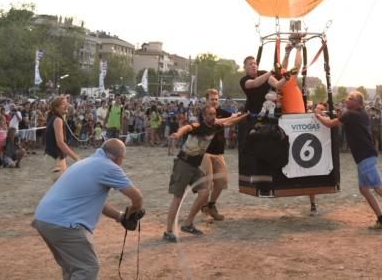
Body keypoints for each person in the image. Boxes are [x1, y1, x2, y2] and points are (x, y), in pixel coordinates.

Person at [33, 138, 144, 279]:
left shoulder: (86, 163)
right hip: (64, 224)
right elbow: (137, 198)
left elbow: (97, 203)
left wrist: (121, 216)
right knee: (88, 267)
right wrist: (133, 211)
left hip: (44, 219)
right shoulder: (109, 167)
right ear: (118, 158)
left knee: (72, 268)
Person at [314, 91, 382, 232]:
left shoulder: (351, 114)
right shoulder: (359, 114)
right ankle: (381, 219)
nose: (347, 100)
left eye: (351, 98)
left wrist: (317, 115)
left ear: (358, 103)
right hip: (365, 155)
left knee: (379, 188)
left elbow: (330, 124)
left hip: (364, 155)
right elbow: (343, 119)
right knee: (364, 189)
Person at [164, 105, 246, 241]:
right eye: (209, 114)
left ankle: (188, 224)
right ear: (203, 116)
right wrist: (178, 134)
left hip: (195, 166)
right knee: (177, 197)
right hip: (183, 164)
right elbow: (187, 128)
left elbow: (229, 122)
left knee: (204, 193)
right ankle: (168, 231)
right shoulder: (198, 125)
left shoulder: (215, 127)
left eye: (214, 114)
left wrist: (245, 116)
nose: (212, 117)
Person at [199, 89, 234, 222]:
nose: (214, 101)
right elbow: (215, 121)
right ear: (206, 100)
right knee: (206, 184)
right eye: (212, 99)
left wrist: (247, 113)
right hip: (205, 153)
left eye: (216, 99)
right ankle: (203, 209)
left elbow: (235, 116)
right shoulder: (204, 113)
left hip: (218, 152)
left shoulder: (223, 112)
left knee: (221, 181)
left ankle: (211, 205)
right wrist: (231, 118)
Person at [44, 94, 80, 176]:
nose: (66, 105)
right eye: (63, 104)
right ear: (56, 107)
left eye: (66, 103)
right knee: (61, 187)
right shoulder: (57, 120)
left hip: (55, 158)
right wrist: (76, 158)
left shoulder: (55, 118)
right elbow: (60, 143)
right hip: (55, 158)